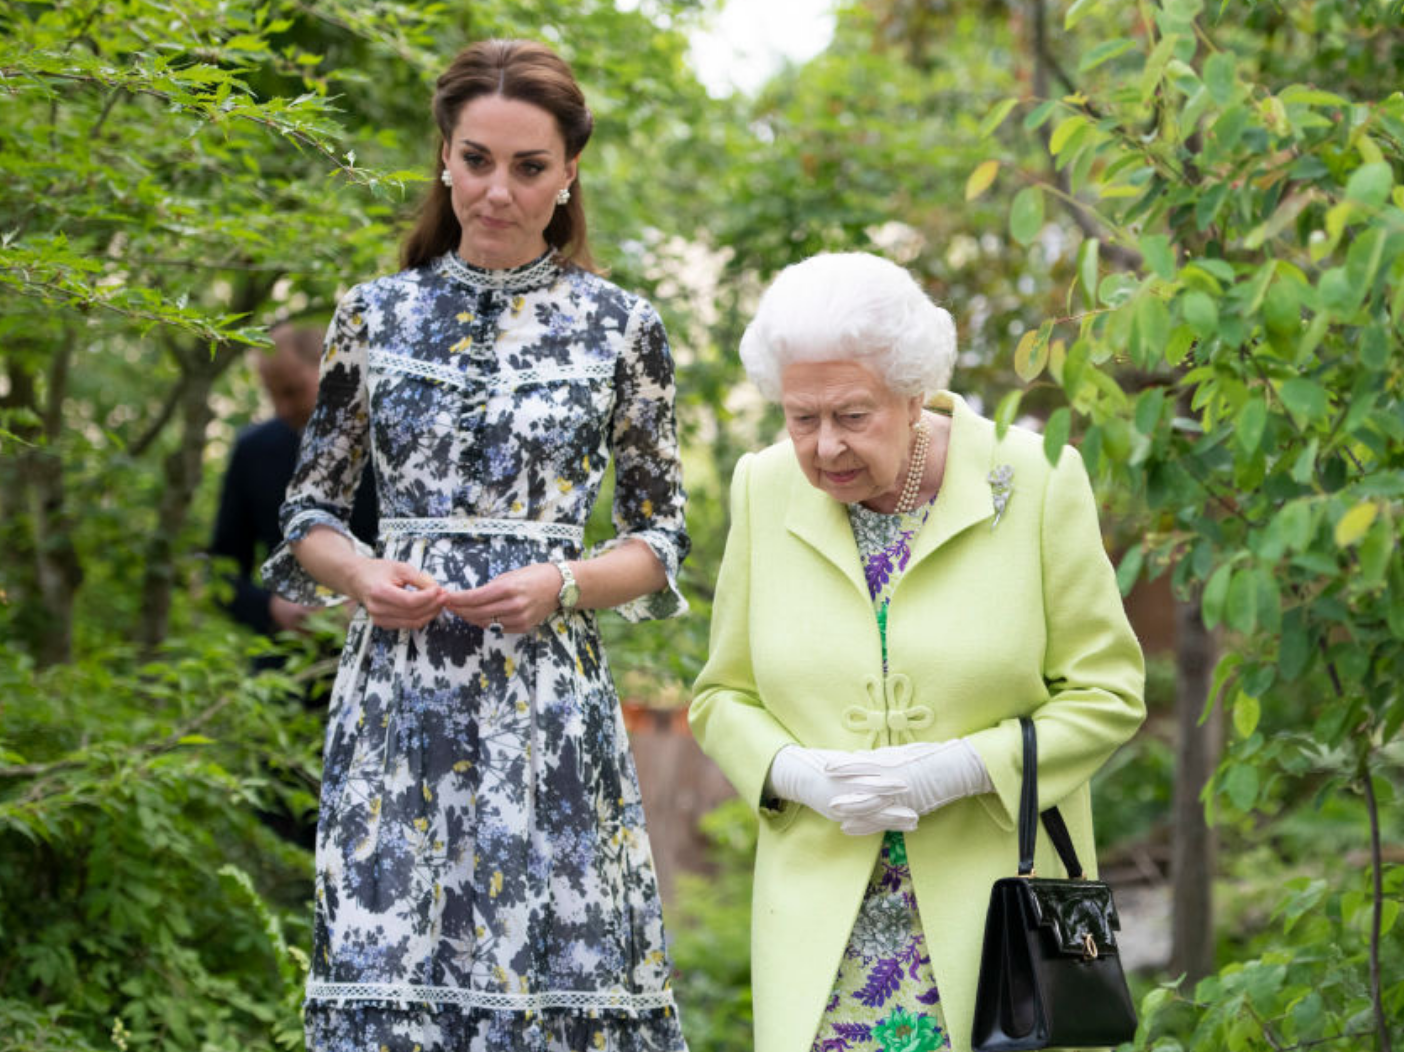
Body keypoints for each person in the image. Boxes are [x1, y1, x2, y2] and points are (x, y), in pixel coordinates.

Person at [260, 39, 690, 1052]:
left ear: (569, 172)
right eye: (476, 160)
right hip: (397, 704)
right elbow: (308, 516)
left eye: (529, 166)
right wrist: (362, 570)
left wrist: (567, 580)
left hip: (545, 707)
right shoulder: (374, 314)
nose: (499, 189)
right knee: (391, 981)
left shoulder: (622, 329)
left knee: (550, 983)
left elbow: (661, 537)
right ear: (444, 159)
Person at [689, 252, 1145, 1052]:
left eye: (852, 415)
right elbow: (722, 696)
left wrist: (964, 767)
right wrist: (798, 774)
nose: (824, 447)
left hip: (1001, 926)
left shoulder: (1034, 479)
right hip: (823, 933)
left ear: (912, 394)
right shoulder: (763, 487)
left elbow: (1108, 692)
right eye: (802, 418)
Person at [210, 323, 376, 641]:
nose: (281, 408)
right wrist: (272, 608)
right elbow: (222, 569)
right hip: (286, 666)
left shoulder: (392, 445)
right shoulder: (253, 452)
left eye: (292, 391)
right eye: (272, 394)